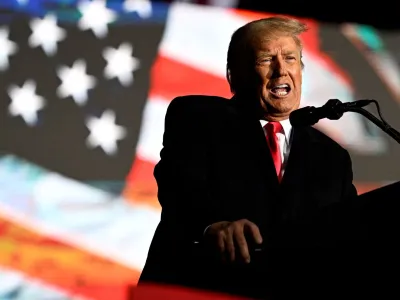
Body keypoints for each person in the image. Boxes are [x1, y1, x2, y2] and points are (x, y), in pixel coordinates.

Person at [138, 16, 358, 299]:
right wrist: (212, 225)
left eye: (290, 59)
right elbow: (178, 183)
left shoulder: (332, 157)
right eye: (266, 60)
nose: (281, 71)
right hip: (201, 287)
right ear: (235, 75)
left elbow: (349, 231)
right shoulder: (198, 117)